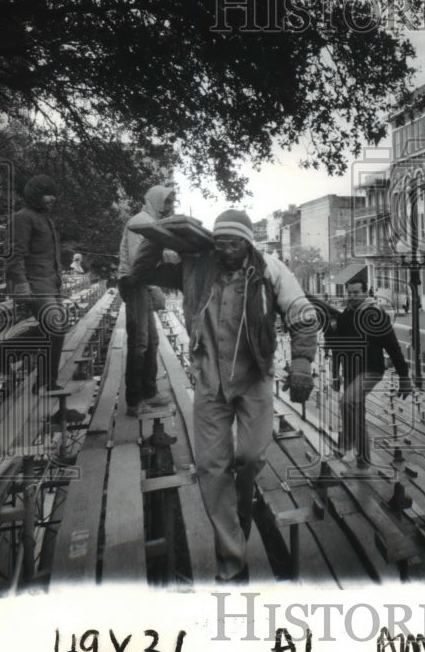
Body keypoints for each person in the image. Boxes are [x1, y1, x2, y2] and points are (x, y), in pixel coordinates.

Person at [132, 209, 318, 583]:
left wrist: (301, 362)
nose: (226, 250)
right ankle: (232, 560)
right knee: (211, 468)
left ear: (247, 243)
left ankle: (238, 516)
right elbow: (142, 274)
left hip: (254, 379)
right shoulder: (196, 267)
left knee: (248, 456)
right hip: (209, 382)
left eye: (233, 243)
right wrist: (155, 238)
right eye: (220, 243)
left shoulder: (271, 270)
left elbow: (303, 313)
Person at [327, 273, 411, 468]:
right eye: (350, 293)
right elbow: (337, 348)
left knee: (347, 402)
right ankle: (363, 461)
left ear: (366, 293)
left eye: (356, 292)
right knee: (356, 413)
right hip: (349, 371)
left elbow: (393, 347)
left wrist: (404, 377)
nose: (352, 296)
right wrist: (335, 375)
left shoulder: (376, 314)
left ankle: (347, 446)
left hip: (371, 370)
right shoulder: (346, 315)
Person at [5, 175, 67, 393]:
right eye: (47, 194)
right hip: (34, 282)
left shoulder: (45, 219)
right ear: (35, 195)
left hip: (50, 283)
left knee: (57, 328)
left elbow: (51, 256)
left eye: (54, 194)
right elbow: (15, 255)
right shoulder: (22, 218)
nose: (53, 199)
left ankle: (2, 354)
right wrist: (21, 284)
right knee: (54, 326)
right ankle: (45, 383)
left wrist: (59, 281)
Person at [117, 185, 175, 416]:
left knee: (151, 341)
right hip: (134, 282)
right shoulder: (140, 222)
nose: (170, 207)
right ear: (156, 201)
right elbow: (137, 262)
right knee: (139, 343)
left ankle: (150, 392)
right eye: (167, 202)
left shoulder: (153, 223)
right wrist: (154, 288)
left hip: (142, 282)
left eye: (172, 202)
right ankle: (134, 400)